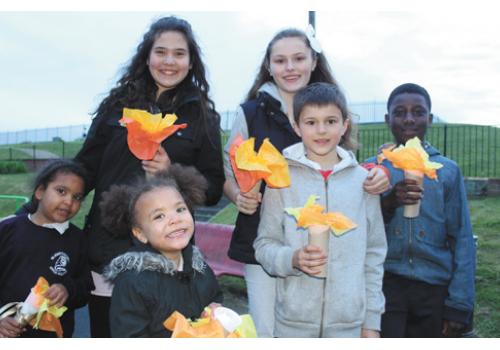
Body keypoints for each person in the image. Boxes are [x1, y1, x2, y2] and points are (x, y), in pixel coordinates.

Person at [223, 27, 389, 337]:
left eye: (298, 58)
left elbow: (347, 173)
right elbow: (229, 173)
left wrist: (381, 174)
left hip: (335, 278)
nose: (290, 67)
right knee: (267, 331)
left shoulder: (327, 105)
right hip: (266, 244)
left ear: (313, 61)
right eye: (280, 60)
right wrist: (238, 195)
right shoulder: (251, 113)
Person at [74, 16, 224, 337]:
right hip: (108, 251)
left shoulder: (202, 116)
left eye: (179, 54)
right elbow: (85, 167)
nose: (169, 61)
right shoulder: (116, 106)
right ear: (147, 56)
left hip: (169, 255)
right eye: (161, 51)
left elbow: (212, 188)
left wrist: (173, 173)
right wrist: (38, 209)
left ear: (190, 61)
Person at [253, 83, 387, 337]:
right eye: (311, 122)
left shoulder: (363, 182)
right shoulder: (280, 179)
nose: (321, 130)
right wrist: (292, 258)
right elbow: (264, 245)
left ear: (344, 125)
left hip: (349, 327)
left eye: (331, 121)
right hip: (293, 325)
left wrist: (371, 322)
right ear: (296, 127)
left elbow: (374, 253)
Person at [370, 83, 476, 337]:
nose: (409, 119)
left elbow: (461, 237)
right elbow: (360, 229)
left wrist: (459, 304)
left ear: (429, 118)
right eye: (399, 112)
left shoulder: (446, 171)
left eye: (418, 112)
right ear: (388, 119)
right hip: (386, 283)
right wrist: (387, 203)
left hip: (434, 284)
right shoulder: (374, 170)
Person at [100, 164, 222, 337]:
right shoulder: (132, 283)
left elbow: (215, 296)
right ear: (140, 234)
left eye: (180, 209)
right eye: (159, 216)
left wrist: (214, 309)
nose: (174, 219)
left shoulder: (201, 269)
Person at [0, 160, 93, 338]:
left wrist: (67, 290)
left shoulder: (77, 239)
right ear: (40, 191)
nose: (68, 201)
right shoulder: (7, 229)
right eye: (61, 191)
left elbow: (85, 287)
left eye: (77, 197)